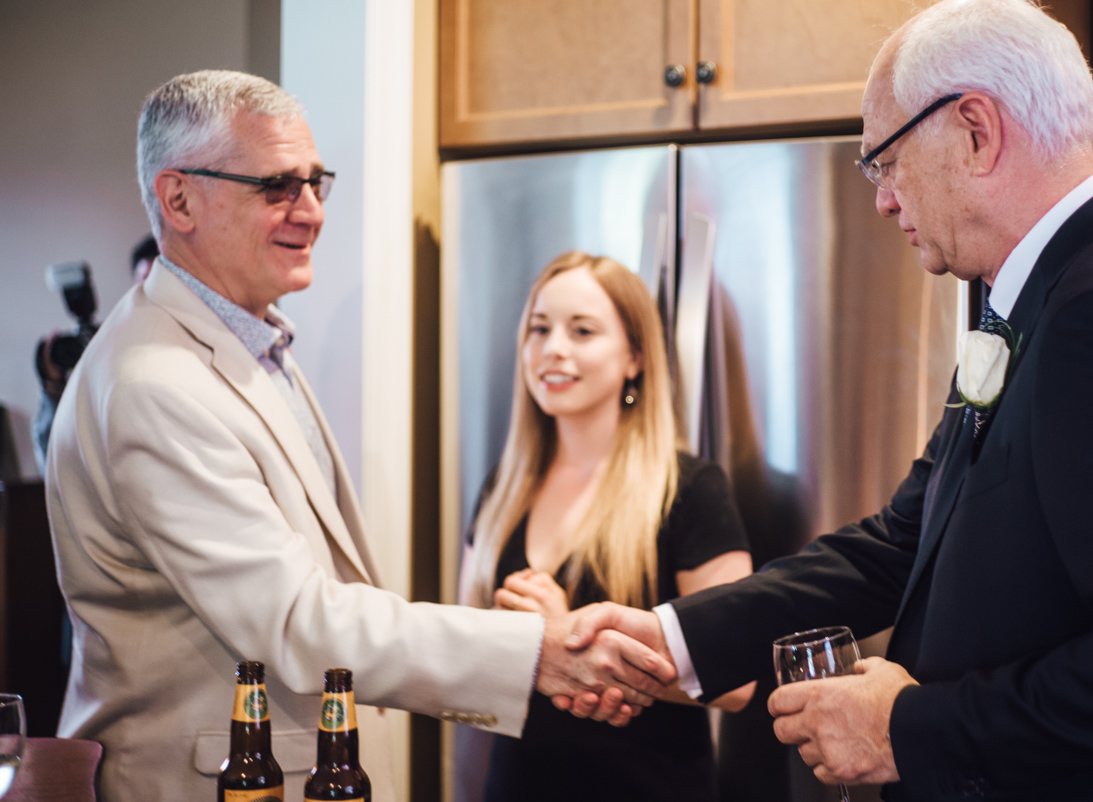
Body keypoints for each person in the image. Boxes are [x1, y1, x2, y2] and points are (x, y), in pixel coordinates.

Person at [564, 1, 1093, 800]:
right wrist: (673, 634)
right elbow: (905, 540)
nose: (883, 201)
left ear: (975, 130)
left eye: (885, 161)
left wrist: (907, 729)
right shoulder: (1032, 297)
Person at [45, 70, 672, 802]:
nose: (309, 212)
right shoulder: (155, 381)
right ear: (179, 198)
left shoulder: (247, 342)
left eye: (316, 183)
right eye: (277, 186)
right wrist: (535, 653)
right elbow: (297, 621)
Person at [460, 251, 754, 801]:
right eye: (540, 329)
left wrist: (566, 632)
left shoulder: (689, 489)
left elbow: (737, 680)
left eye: (583, 330)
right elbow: (466, 649)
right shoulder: (503, 487)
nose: (553, 349)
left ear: (634, 358)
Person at [31, 234, 158, 473]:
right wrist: (55, 388)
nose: (150, 294)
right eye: (143, 283)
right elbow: (50, 460)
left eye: (158, 284)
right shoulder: (110, 345)